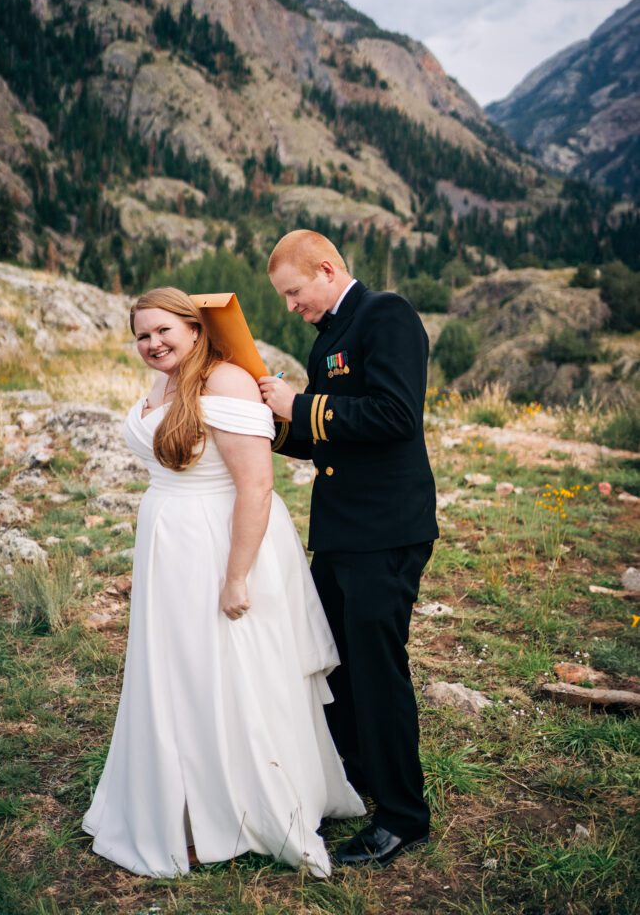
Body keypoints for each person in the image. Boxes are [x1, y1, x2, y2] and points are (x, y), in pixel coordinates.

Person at [81, 286, 364, 878]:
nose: (152, 343)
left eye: (164, 331)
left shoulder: (226, 381)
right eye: (142, 335)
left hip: (221, 543)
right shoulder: (165, 383)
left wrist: (236, 577)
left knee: (226, 670)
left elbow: (257, 487)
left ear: (194, 328)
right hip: (170, 547)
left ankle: (233, 806)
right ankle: (178, 801)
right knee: (176, 670)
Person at [258, 230, 439, 868]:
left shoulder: (383, 314)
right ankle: (354, 779)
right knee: (337, 664)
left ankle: (403, 816)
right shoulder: (328, 334)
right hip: (342, 532)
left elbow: (395, 415)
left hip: (386, 530)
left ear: (328, 269)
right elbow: (328, 435)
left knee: (377, 670)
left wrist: (303, 404)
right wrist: (275, 425)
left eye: (294, 292)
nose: (290, 306)